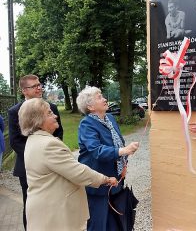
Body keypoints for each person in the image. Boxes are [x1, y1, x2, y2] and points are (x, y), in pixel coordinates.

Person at [18, 98, 118, 231]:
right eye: (49, 113)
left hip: (45, 211)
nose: (55, 116)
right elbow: (78, 172)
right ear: (38, 120)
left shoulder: (34, 139)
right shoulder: (48, 145)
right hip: (55, 215)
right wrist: (105, 179)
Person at [76, 86, 139, 231]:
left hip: (116, 181)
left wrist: (124, 163)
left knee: (115, 223)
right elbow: (97, 151)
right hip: (99, 184)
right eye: (99, 97)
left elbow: (118, 143)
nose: (105, 99)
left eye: (102, 96)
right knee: (98, 224)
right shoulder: (86, 124)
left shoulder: (110, 118)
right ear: (90, 107)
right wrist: (123, 151)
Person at [8, 74, 63, 230]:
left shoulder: (51, 107)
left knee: (54, 204)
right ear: (25, 90)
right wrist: (37, 157)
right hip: (27, 168)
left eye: (40, 84)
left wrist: (53, 157)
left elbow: (59, 134)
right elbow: (15, 141)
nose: (40, 87)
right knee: (31, 207)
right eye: (35, 86)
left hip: (53, 166)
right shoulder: (15, 111)